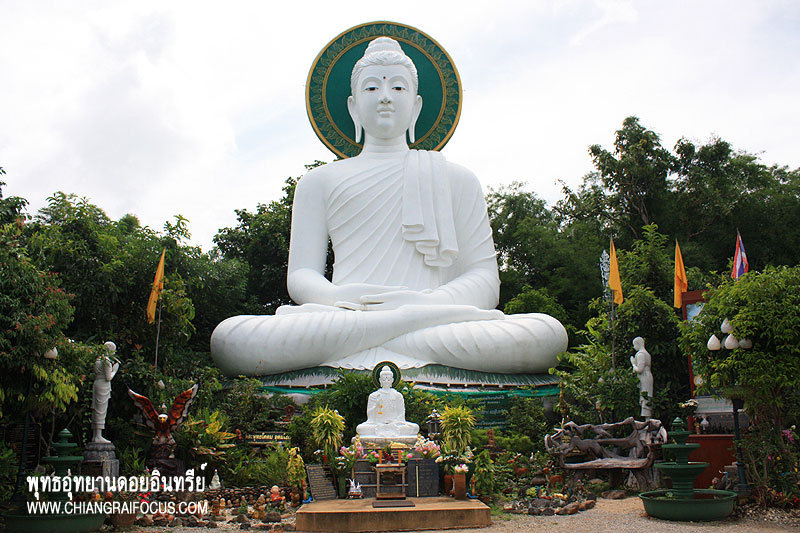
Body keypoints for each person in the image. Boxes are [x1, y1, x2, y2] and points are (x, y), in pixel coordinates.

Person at [210, 37, 568, 375]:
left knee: (546, 334)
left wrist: (421, 306)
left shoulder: (456, 179)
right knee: (231, 338)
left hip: (422, 321)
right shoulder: (318, 182)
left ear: (416, 105)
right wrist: (335, 297)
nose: (385, 97)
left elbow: (484, 282)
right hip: (347, 317)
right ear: (353, 104)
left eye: (398, 87)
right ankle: (398, 335)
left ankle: (387, 334)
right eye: (371, 87)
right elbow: (302, 276)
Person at [356, 366, 419, 439]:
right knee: (360, 428)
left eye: (388, 379)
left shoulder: (398, 395)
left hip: (395, 424)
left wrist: (394, 422)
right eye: (384, 379)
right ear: (380, 380)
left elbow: (401, 414)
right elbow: (370, 416)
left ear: (392, 380)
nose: (386, 381)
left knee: (415, 428)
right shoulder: (374, 396)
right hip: (377, 424)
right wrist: (377, 405)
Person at [91, 341, 120, 443]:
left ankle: (96, 435)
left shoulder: (98, 359)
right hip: (103, 384)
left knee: (97, 408)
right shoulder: (106, 361)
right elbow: (108, 377)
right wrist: (115, 370)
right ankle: (98, 436)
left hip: (97, 383)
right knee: (101, 409)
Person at [630, 336, 654, 418]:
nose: (634, 347)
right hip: (647, 375)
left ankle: (647, 422)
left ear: (638, 344)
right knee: (646, 397)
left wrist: (633, 363)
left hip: (644, 376)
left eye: (634, 345)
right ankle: (647, 421)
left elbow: (639, 369)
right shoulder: (646, 354)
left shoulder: (640, 354)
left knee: (645, 398)